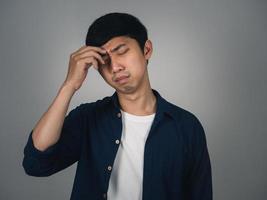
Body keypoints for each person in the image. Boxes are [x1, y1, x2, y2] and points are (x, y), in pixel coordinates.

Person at [22, 12, 212, 200]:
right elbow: (36, 163)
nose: (114, 67)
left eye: (121, 51)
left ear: (146, 50)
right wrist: (69, 85)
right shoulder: (89, 118)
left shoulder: (186, 126)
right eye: (104, 61)